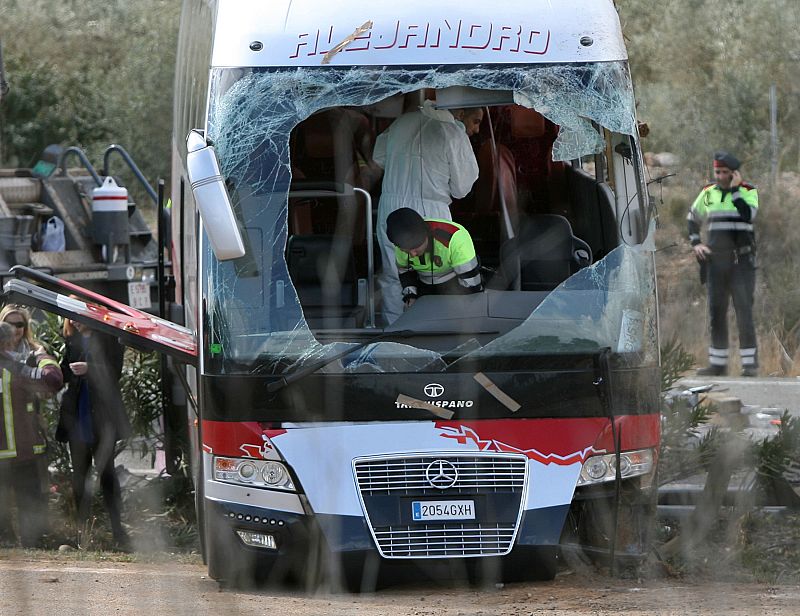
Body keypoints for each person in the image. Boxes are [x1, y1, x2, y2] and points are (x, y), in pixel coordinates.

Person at [373, 99, 482, 323]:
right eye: (475, 121)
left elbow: (379, 157)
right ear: (460, 113)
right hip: (430, 210)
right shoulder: (451, 131)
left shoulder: (402, 122)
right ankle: (433, 333)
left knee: (395, 276)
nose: (476, 129)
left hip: (390, 206)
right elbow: (462, 189)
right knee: (436, 276)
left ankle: (395, 337)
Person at [56, 318, 132, 549]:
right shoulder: (72, 341)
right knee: (80, 477)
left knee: (107, 475)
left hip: (102, 418)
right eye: (70, 318)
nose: (74, 322)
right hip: (78, 417)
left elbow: (114, 373)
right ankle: (83, 534)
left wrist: (91, 369)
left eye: (79, 316)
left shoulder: (108, 339)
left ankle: (118, 531)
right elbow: (63, 374)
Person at [688, 151, 759, 377]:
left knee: (744, 311)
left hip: (741, 262)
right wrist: (696, 243)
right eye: (717, 172)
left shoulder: (748, 192)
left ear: (734, 173)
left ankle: (750, 365)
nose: (719, 176)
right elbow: (692, 218)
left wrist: (736, 191)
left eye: (724, 173)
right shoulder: (708, 193)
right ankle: (718, 364)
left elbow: (748, 215)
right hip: (716, 263)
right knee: (716, 312)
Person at [0, 308, 63, 548]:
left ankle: (30, 546)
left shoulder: (27, 359)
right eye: (10, 325)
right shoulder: (14, 364)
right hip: (13, 449)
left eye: (20, 325)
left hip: (26, 446)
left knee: (30, 506)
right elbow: (52, 380)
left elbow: (52, 383)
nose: (15, 330)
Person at [386, 207, 483, 308]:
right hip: (423, 285)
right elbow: (405, 272)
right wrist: (410, 296)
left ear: (426, 235)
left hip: (456, 283)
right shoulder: (401, 244)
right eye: (405, 250)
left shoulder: (455, 239)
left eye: (416, 248)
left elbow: (472, 287)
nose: (412, 254)